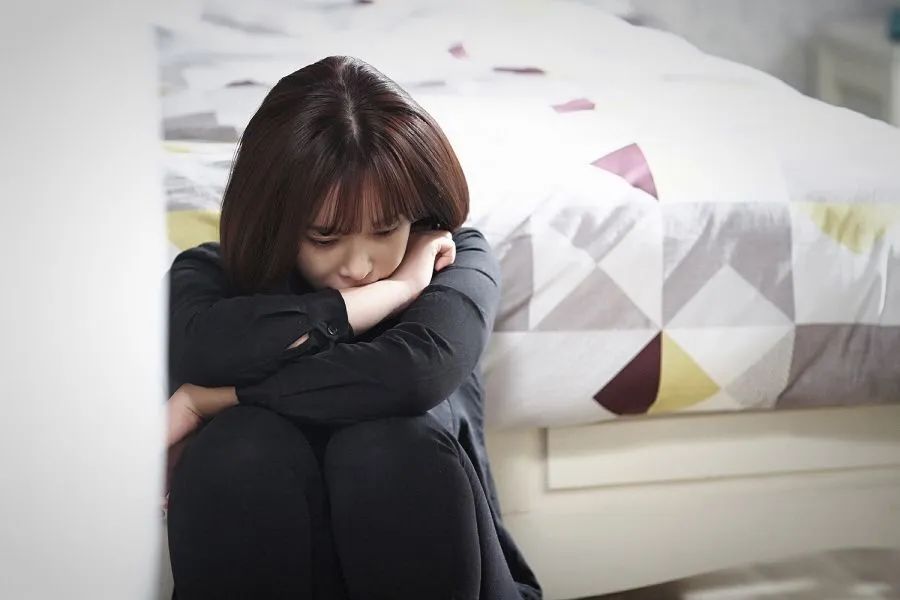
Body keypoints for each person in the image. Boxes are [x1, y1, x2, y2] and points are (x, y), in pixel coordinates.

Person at [164, 55, 542, 600]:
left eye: (385, 230)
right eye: (325, 238)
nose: (359, 266)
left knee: (387, 445)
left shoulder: (452, 255)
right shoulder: (208, 276)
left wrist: (220, 398)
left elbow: (416, 374)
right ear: (276, 220)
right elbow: (199, 350)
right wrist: (390, 293)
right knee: (241, 446)